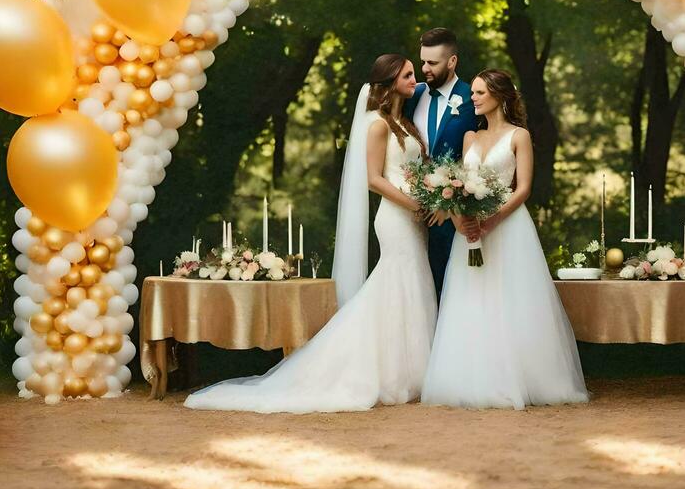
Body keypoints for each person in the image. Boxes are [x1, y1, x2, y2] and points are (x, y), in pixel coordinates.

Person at [184, 54, 437, 413]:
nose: (416, 80)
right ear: (390, 80)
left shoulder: (406, 124)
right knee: (397, 281)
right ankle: (379, 371)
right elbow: (375, 179)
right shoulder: (379, 125)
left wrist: (427, 193)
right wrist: (413, 205)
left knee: (413, 282)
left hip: (414, 213)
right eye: (408, 74)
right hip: (396, 217)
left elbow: (410, 169)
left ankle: (410, 371)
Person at [421, 69, 588, 409]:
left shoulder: (518, 136)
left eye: (480, 93)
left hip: (508, 227)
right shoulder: (469, 137)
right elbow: (457, 185)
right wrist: (460, 220)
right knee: (472, 298)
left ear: (499, 95)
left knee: (510, 299)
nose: (474, 98)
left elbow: (523, 188)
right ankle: (473, 379)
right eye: (473, 94)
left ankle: (521, 378)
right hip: (469, 231)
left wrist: (492, 220)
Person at [406, 27, 477, 297]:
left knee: (447, 287)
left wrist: (449, 204)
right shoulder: (414, 95)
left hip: (451, 214)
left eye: (432, 63)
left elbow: (476, 158)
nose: (425, 68)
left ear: (452, 61)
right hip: (411, 211)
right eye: (422, 61)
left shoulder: (472, 99)